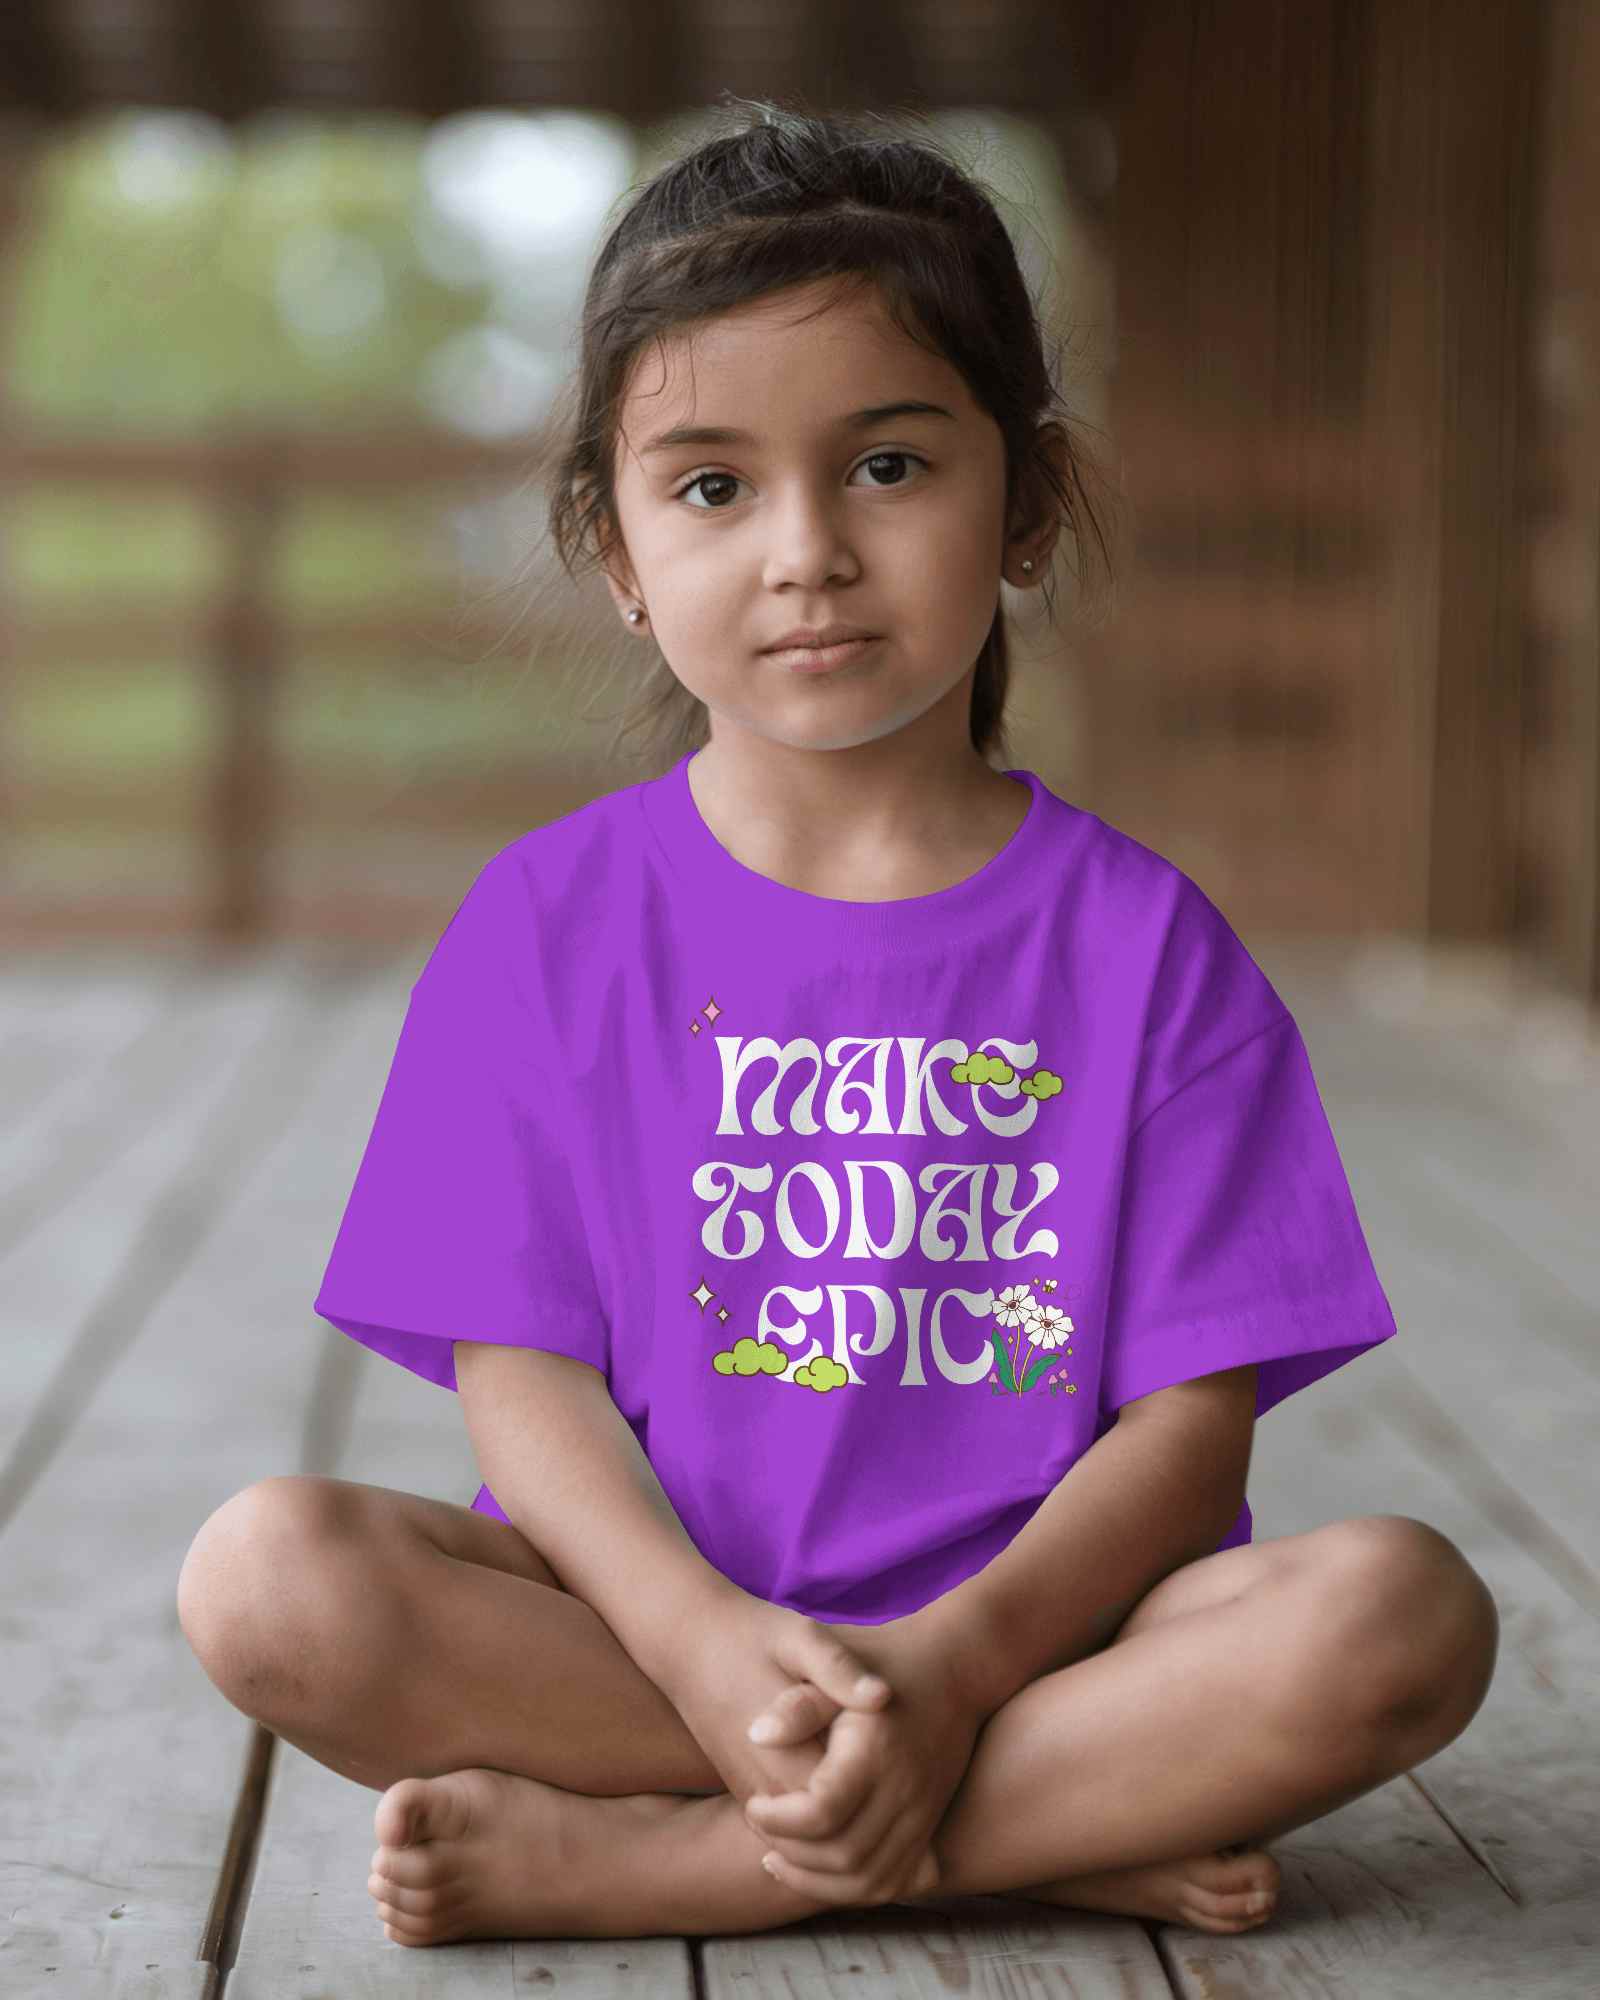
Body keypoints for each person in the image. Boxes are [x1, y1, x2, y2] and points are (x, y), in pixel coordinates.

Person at [175, 96, 1499, 1951]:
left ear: (1024, 501)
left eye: (888, 466)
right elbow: (521, 1375)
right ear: (617, 547)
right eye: (713, 485)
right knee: (269, 1580)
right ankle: (1040, 1829)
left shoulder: (1147, 948)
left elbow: (1192, 1424)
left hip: (1043, 1647)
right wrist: (707, 1647)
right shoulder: (546, 926)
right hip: (642, 1635)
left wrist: (954, 1673)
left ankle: (668, 1862)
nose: (806, 549)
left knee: (1402, 1615)